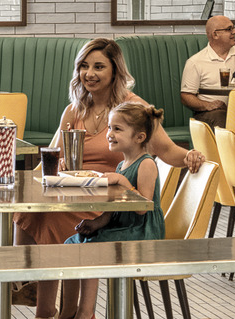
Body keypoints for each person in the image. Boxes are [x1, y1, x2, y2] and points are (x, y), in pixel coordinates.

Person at [17, 38, 201, 319]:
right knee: (27, 211)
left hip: (110, 206)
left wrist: (191, 157)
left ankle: (45, 309)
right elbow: (52, 156)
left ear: (116, 70)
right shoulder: (74, 110)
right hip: (74, 194)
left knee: (50, 220)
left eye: (99, 66)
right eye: (84, 66)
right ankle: (36, 286)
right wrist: (26, 188)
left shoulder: (134, 109)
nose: (90, 73)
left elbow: (165, 150)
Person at [65, 103, 168, 245]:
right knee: (73, 241)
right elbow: (113, 207)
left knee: (89, 245)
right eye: (109, 127)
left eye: (117, 129)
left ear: (139, 137)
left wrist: (122, 180)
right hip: (121, 224)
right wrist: (97, 223)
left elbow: (142, 209)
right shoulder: (122, 165)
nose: (109, 134)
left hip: (142, 230)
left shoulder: (146, 164)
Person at [178, 14, 235, 131]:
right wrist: (207, 105)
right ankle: (229, 149)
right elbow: (186, 96)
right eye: (229, 29)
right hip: (210, 114)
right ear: (215, 34)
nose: (234, 32)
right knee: (220, 116)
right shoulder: (195, 62)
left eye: (234, 27)